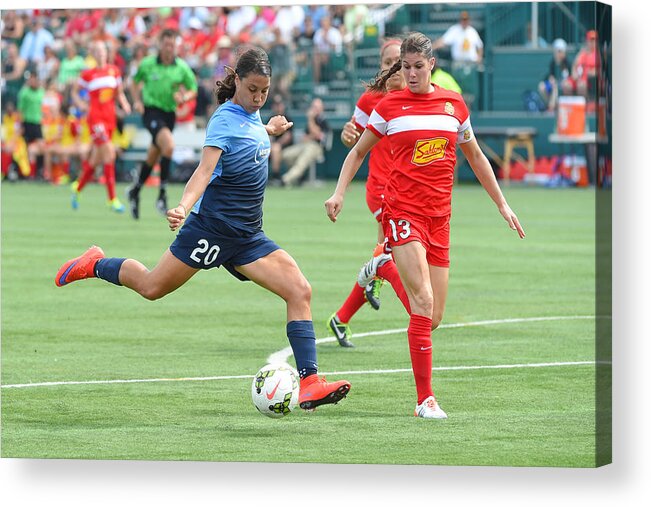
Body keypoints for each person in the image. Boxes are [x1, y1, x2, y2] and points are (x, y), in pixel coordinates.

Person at [55, 46, 351, 413]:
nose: (259, 97)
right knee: (150, 287)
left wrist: (268, 129)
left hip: (247, 236)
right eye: (253, 89)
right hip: (211, 230)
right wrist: (183, 205)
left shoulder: (252, 119)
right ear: (238, 81)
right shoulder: (224, 120)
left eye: (265, 91)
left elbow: (249, 136)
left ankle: (309, 383)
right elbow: (205, 171)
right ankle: (96, 263)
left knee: (300, 290)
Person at [325, 33, 525, 419]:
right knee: (423, 301)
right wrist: (338, 194)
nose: (412, 73)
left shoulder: (453, 105)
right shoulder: (389, 105)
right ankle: (425, 400)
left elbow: (477, 156)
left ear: (431, 65)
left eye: (418, 66)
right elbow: (357, 152)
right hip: (401, 212)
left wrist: (502, 204)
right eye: (406, 66)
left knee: (431, 319)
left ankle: (381, 268)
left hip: (440, 218)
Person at [327, 39, 412, 348]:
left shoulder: (416, 99)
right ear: (381, 66)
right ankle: (377, 276)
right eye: (387, 61)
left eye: (398, 60)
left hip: (408, 193)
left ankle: (341, 318)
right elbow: (353, 138)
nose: (394, 67)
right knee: (396, 256)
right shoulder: (371, 100)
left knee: (391, 253)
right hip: (381, 190)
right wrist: (347, 134)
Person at [127, 29, 198, 220]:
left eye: (172, 45)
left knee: (155, 152)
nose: (169, 48)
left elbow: (193, 88)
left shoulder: (181, 67)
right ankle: (162, 195)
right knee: (169, 146)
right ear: (160, 44)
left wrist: (184, 97)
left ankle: (135, 190)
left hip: (169, 114)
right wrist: (137, 101)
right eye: (166, 44)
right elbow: (134, 83)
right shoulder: (148, 64)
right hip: (151, 112)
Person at [70, 41, 131, 212]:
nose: (100, 53)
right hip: (95, 120)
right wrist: (81, 104)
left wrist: (124, 104)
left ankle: (77, 188)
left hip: (109, 119)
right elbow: (74, 91)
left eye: (102, 50)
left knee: (96, 160)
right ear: (93, 54)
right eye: (96, 51)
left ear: (106, 52)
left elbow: (119, 93)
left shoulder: (114, 71)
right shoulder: (88, 74)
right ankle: (112, 199)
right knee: (109, 153)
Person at [279, 97, 330, 187]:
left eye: (317, 107)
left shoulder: (323, 120)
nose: (315, 109)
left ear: (322, 108)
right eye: (313, 107)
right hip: (305, 144)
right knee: (285, 154)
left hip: (316, 147)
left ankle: (285, 179)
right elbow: (305, 137)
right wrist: (311, 136)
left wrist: (310, 119)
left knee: (302, 160)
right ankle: (299, 177)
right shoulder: (311, 121)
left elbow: (317, 135)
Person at [538, 38, 571, 112]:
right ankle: (551, 106)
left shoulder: (567, 63)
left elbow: (570, 77)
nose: (557, 54)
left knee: (555, 87)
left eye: (559, 51)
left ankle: (551, 108)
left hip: (563, 86)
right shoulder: (552, 63)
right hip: (554, 85)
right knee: (542, 86)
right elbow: (550, 76)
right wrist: (550, 79)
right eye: (556, 51)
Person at [267, 94, 293, 186]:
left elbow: (288, 137)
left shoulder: (287, 118)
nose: (278, 107)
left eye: (279, 104)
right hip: (272, 147)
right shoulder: (271, 118)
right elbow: (267, 136)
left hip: (286, 149)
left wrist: (276, 144)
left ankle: (275, 177)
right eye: (276, 105)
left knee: (276, 148)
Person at [568, 29, 599, 104]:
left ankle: (586, 107)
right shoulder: (583, 52)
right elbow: (575, 65)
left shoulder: (598, 53)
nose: (592, 43)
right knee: (566, 85)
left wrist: (592, 72)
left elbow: (600, 70)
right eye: (590, 40)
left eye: (594, 40)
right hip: (580, 77)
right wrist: (574, 73)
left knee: (581, 85)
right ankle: (572, 107)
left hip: (590, 80)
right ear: (587, 41)